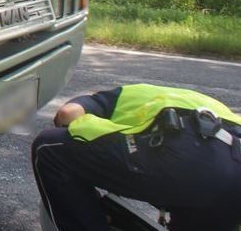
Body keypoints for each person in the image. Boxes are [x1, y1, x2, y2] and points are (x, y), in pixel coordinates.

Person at [32, 83, 241, 231]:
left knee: (49, 148)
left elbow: (68, 114)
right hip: (233, 173)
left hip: (187, 160)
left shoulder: (111, 100)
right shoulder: (169, 96)